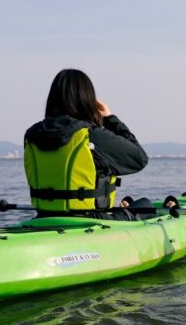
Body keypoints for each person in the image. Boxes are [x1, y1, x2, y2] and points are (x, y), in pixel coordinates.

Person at [24, 69, 148, 219]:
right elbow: (139, 158)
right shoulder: (91, 136)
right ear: (87, 100)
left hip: (43, 217)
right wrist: (110, 118)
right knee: (145, 205)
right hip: (90, 221)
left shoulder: (31, 135)